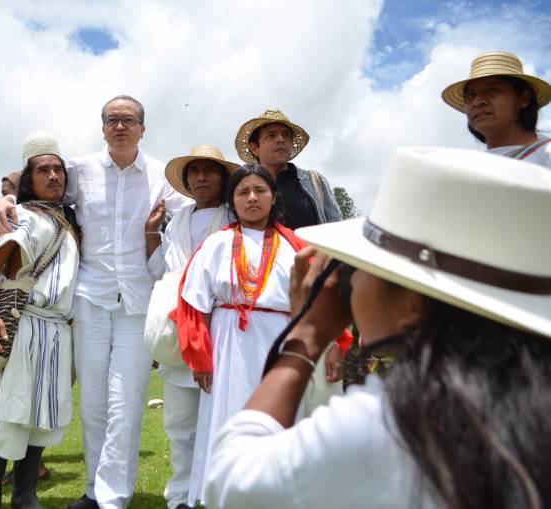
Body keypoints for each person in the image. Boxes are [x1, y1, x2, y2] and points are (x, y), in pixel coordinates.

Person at [203, 148, 551, 509]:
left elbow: (234, 480)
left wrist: (304, 337)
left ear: (410, 306)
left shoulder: (386, 424)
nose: (349, 284)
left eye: (358, 270)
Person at [0, 96, 189, 509]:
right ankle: (93, 491)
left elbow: (197, 205)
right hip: (89, 297)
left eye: (129, 120)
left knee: (127, 401)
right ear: (102, 128)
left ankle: (112, 496)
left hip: (138, 302)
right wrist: (5, 198)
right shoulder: (79, 169)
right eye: (112, 120)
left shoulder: (160, 175)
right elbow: (23, 179)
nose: (120, 127)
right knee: (93, 403)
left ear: (142, 128)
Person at [173, 165, 341, 507]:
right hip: (227, 343)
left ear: (273, 197)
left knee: (279, 420)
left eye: (260, 190)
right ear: (232, 201)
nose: (251, 198)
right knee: (226, 419)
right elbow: (192, 305)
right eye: (242, 192)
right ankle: (220, 495)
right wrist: (200, 356)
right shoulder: (216, 244)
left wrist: (335, 344)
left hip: (279, 341)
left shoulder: (296, 245)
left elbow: (322, 300)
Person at [0, 131, 80, 509]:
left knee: (43, 411)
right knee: (7, 408)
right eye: (43, 170)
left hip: (59, 330)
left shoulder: (70, 223)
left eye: (58, 170)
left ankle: (26, 493)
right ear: (29, 179)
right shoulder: (21, 217)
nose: (53, 176)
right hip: (24, 322)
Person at [145, 145, 238, 509]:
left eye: (209, 171)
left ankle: (216, 495)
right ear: (186, 181)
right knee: (180, 424)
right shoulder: (178, 221)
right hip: (179, 327)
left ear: (222, 178)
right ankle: (180, 497)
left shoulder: (234, 219)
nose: (201, 177)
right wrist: (152, 232)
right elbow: (158, 270)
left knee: (220, 422)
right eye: (195, 171)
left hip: (219, 328)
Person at [234, 109, 348, 380]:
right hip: (261, 298)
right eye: (271, 136)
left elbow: (339, 237)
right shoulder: (244, 189)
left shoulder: (314, 182)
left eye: (285, 136)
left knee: (319, 386)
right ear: (254, 147)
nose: (281, 141)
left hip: (313, 290)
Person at [442, 51, 551, 169]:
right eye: (470, 95)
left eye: (492, 90)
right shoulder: (466, 168)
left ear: (523, 99)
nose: (477, 102)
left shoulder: (545, 154)